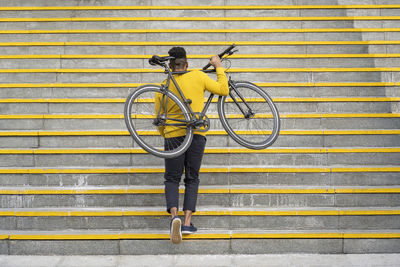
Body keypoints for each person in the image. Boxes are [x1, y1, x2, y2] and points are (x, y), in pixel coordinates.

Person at [154, 47, 229, 244]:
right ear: (186, 64)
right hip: (196, 135)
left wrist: (168, 134)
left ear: (170, 66)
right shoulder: (197, 75)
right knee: (192, 177)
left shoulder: (163, 85)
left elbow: (159, 119)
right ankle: (187, 223)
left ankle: (174, 218)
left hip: (173, 136)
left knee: (171, 178)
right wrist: (219, 66)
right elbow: (223, 89)